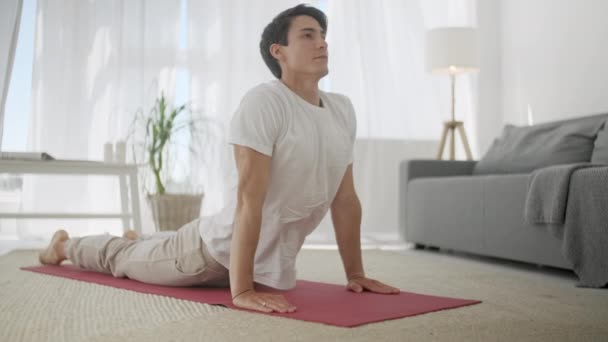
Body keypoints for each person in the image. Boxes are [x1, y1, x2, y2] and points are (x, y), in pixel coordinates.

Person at [39, 4, 400, 314]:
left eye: (322, 34)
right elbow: (248, 199)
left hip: (264, 267)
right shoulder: (265, 102)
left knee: (148, 249)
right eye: (307, 35)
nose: (322, 41)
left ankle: (144, 241)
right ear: (279, 52)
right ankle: (62, 246)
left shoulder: (342, 109)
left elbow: (345, 198)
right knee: (121, 259)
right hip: (210, 255)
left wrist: (355, 274)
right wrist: (241, 291)